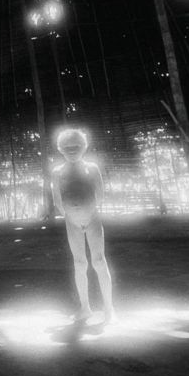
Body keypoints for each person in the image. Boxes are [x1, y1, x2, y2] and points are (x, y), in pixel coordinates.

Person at [50, 128, 115, 324]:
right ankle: (85, 308)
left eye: (76, 146)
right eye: (67, 147)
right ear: (60, 149)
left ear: (84, 147)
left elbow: (100, 194)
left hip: (92, 219)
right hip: (72, 222)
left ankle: (109, 309)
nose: (72, 150)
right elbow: (57, 199)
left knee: (99, 261)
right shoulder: (57, 172)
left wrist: (87, 214)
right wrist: (72, 215)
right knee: (79, 264)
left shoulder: (92, 168)